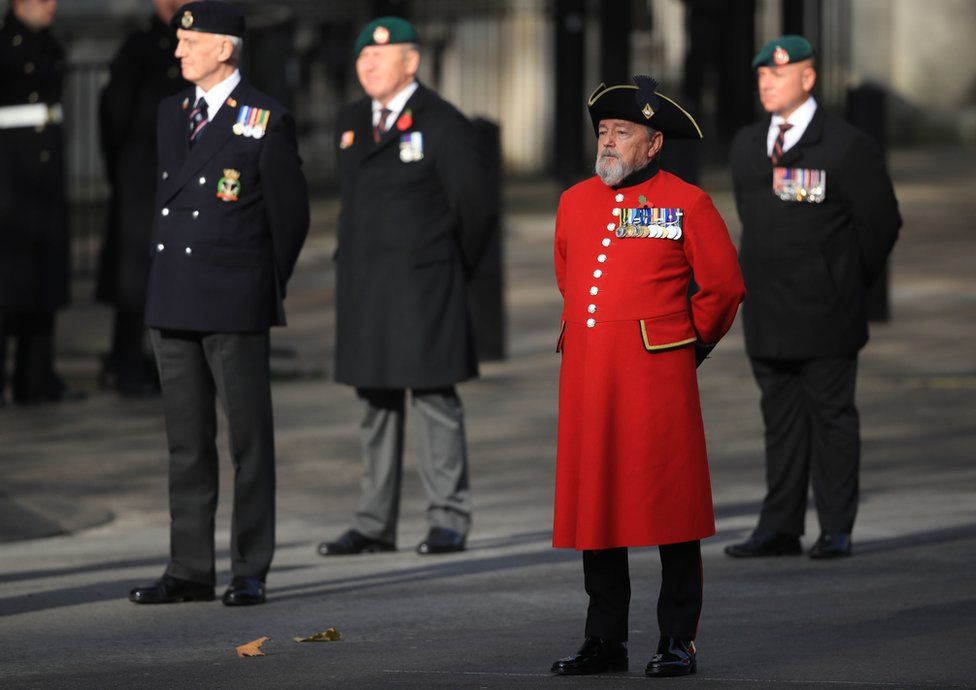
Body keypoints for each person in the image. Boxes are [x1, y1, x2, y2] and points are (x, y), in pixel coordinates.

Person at [550, 76, 745, 677]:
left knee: (671, 509)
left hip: (657, 377)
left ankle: (677, 639)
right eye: (603, 132)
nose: (608, 142)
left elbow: (725, 286)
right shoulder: (574, 201)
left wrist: (688, 345)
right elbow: (569, 275)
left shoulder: (687, 202)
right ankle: (604, 640)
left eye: (622, 132)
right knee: (598, 508)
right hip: (590, 377)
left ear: (654, 143)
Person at [128, 1, 309, 607]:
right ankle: (189, 567)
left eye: (190, 40)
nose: (178, 50)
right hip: (172, 295)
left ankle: (249, 565)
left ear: (225, 47)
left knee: (248, 443)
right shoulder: (170, 113)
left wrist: (259, 282)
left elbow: (290, 218)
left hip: (234, 299)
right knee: (185, 442)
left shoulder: (265, 118)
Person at [318, 17, 492, 557]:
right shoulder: (351, 122)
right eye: (362, 56)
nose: (367, 64)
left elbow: (475, 211)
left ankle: (448, 518)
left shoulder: (443, 124)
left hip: (424, 286)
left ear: (411, 62)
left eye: (380, 55)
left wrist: (444, 266)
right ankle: (373, 522)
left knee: (435, 397)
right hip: (367, 286)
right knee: (375, 402)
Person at [725, 35, 900, 560]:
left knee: (831, 419)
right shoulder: (747, 146)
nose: (766, 83)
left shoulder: (845, 146)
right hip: (768, 310)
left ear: (808, 78)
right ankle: (779, 526)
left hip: (827, 312)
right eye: (761, 76)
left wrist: (844, 281)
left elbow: (881, 224)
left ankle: (836, 527)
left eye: (778, 74)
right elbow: (752, 222)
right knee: (779, 421)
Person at [95, 0, 187, 397]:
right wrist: (122, 171)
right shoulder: (140, 46)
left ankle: (158, 363)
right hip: (141, 176)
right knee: (133, 281)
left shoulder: (197, 42)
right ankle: (126, 360)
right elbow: (113, 111)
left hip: (178, 177)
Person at [0, 0, 78, 405]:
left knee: (43, 279)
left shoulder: (49, 43)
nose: (52, 6)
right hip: (10, 176)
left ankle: (37, 376)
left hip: (44, 177)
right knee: (7, 284)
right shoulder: (6, 45)